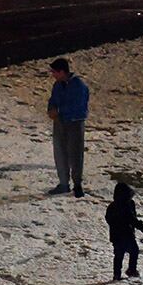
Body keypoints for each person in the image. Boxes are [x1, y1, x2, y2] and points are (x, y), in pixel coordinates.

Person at [46, 58, 89, 198]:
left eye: (54, 72)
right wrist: (51, 109)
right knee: (60, 152)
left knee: (75, 154)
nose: (53, 75)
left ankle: (77, 184)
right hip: (60, 122)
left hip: (74, 122)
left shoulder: (79, 86)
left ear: (62, 71)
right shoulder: (58, 85)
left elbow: (78, 105)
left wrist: (59, 111)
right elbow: (52, 99)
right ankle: (63, 183)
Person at [106, 182, 143, 280]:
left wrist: (137, 224)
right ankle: (118, 274)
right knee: (120, 255)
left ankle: (130, 270)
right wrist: (135, 224)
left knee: (133, 251)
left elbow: (132, 217)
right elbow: (129, 218)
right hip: (119, 236)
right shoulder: (116, 206)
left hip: (127, 234)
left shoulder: (129, 204)